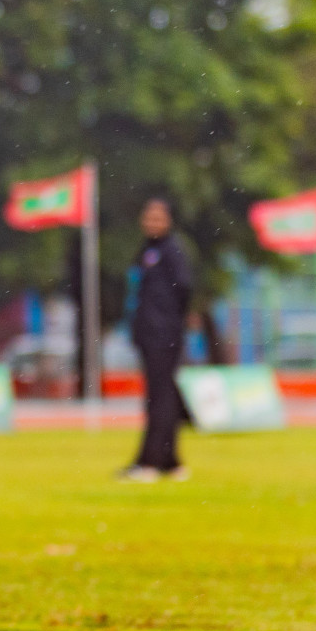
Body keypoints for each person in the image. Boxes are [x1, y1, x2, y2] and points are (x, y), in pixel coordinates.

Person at [119, 196, 194, 482]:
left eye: (158, 217)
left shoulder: (172, 250)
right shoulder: (147, 251)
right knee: (162, 397)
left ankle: (150, 462)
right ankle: (170, 462)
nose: (152, 222)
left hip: (164, 335)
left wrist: (168, 323)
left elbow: (183, 288)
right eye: (148, 216)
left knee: (161, 398)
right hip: (149, 335)